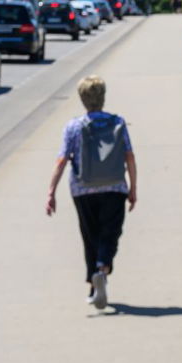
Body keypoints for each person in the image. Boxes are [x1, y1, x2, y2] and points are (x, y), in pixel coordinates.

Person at [46, 75, 138, 309]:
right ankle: (102, 268)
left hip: (82, 188)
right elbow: (129, 156)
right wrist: (133, 187)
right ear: (103, 96)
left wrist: (51, 192)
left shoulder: (73, 126)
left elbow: (61, 160)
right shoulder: (118, 122)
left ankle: (94, 283)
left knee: (90, 236)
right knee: (111, 233)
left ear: (82, 98)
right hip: (115, 186)